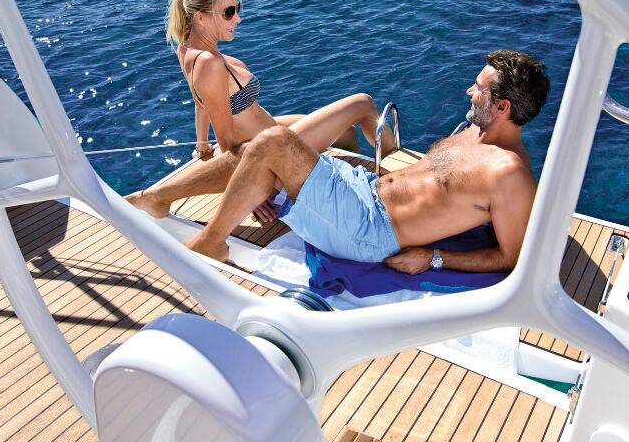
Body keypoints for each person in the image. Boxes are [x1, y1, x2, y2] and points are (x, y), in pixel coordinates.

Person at [172, 50, 550, 274]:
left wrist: (434, 258)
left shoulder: (509, 175)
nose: (469, 91)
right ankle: (159, 198)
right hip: (361, 188)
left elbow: (511, 258)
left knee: (273, 143)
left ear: (502, 107)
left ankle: (211, 242)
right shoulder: (473, 131)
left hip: (368, 231)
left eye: (479, 89)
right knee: (256, 150)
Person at [127, 0, 391, 222]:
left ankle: (338, 176)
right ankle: (396, 168)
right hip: (273, 150)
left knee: (346, 133)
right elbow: (228, 143)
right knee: (363, 103)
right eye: (228, 12)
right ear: (201, 18)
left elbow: (201, 103)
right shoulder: (209, 63)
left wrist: (202, 146)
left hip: (269, 131)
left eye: (237, 8)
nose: (237, 19)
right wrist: (251, 190)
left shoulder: (187, 49)